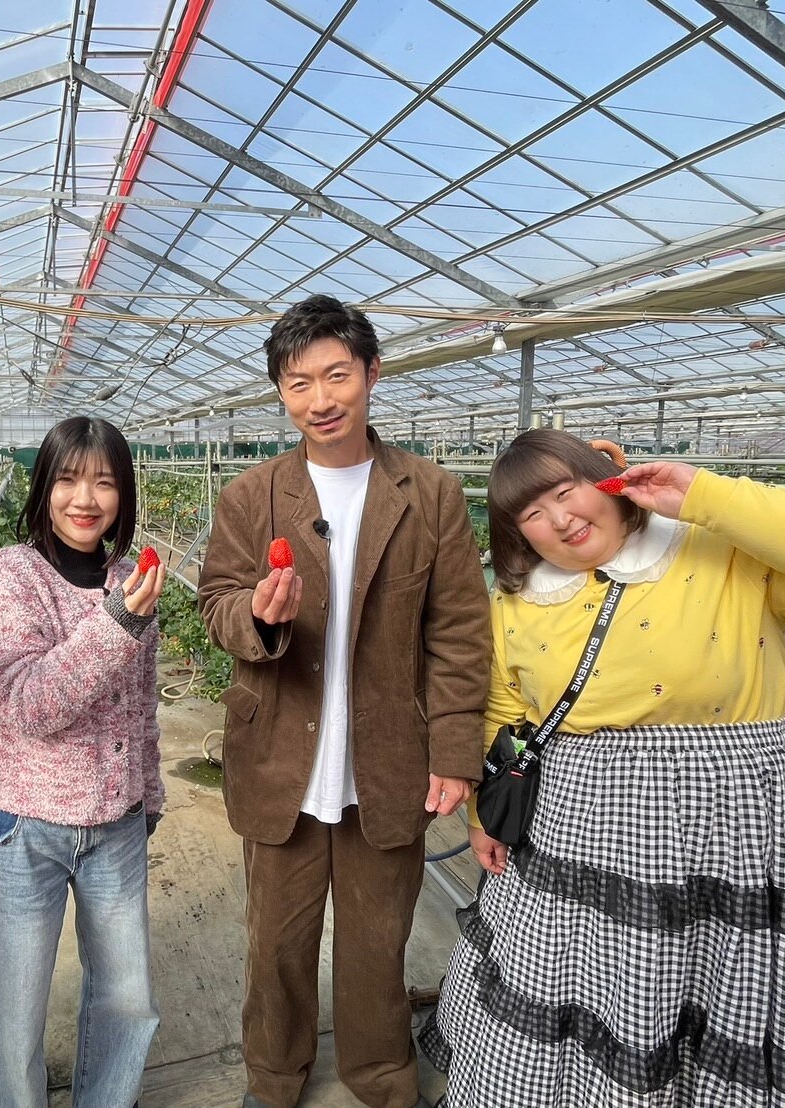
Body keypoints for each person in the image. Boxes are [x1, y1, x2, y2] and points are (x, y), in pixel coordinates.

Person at [424, 428, 785, 1107]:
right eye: (532, 514)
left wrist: (707, 498)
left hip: (729, 817)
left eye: (566, 492)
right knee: (571, 968)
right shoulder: (519, 600)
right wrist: (483, 814)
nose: (560, 521)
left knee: (716, 975)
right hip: (573, 823)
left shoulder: (718, 554)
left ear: (606, 481)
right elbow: (503, 712)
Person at [198, 294, 491, 1108]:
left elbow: (458, 630)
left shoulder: (428, 492)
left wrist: (454, 753)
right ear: (280, 393)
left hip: (387, 759)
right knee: (275, 943)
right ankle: (273, 1076)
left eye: (336, 375)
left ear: (371, 373)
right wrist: (257, 615)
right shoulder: (252, 495)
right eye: (298, 383)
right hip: (281, 758)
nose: (319, 399)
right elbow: (217, 602)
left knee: (377, 940)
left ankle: (380, 1074)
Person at [0, 416, 165, 1108]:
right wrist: (118, 625)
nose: (85, 499)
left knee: (128, 1002)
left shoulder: (129, 580)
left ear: (124, 494)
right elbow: (28, 704)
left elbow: (140, 704)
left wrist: (149, 795)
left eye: (104, 482)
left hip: (117, 828)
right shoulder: (9, 575)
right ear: (43, 486)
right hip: (24, 829)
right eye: (69, 479)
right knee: (14, 1020)